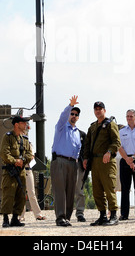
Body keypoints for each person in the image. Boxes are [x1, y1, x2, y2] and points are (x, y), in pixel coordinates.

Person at [83, 101, 121, 226]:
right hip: (95, 162)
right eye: (96, 109)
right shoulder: (92, 127)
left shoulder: (111, 124)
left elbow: (116, 142)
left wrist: (109, 152)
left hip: (107, 161)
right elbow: (87, 144)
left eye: (100, 109)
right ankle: (102, 215)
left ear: (105, 110)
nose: (98, 111)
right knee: (97, 190)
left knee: (109, 188)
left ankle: (114, 215)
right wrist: (85, 158)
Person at [51, 95, 81, 227]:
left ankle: (67, 217)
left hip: (72, 163)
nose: (73, 116)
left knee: (70, 191)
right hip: (60, 161)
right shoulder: (61, 127)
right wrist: (70, 106)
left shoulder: (77, 133)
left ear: (78, 117)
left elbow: (78, 149)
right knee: (60, 190)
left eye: (76, 114)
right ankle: (60, 217)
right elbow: (63, 117)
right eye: (72, 113)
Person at [0, 115, 34, 228]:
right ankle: (5, 219)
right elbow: (4, 153)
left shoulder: (25, 139)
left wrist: (22, 161)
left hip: (21, 171)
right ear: (16, 124)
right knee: (8, 195)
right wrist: (15, 161)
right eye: (23, 123)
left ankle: (15, 218)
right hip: (10, 171)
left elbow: (30, 154)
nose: (25, 125)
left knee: (21, 194)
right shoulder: (7, 137)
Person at [19, 122, 46, 222]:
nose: (26, 130)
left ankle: (38, 214)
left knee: (31, 193)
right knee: (21, 193)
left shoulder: (29, 143)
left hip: (28, 169)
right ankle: (20, 216)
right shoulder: (16, 141)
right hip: (20, 170)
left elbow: (31, 156)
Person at [75, 128, 86, 222]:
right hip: (66, 162)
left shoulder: (82, 134)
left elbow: (86, 149)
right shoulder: (62, 132)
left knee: (79, 190)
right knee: (65, 190)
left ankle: (80, 213)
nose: (73, 116)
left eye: (75, 114)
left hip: (79, 163)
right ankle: (65, 213)